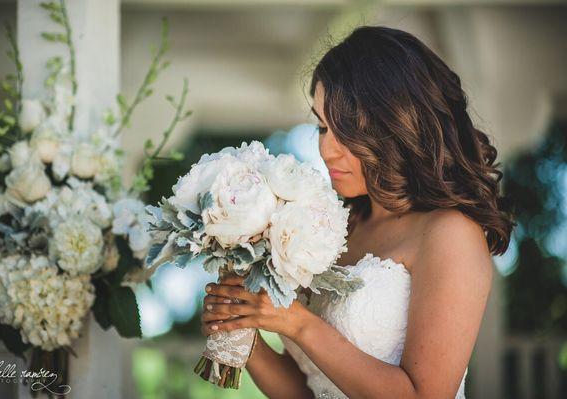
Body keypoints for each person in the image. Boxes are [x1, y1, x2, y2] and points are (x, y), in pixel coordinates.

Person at [200, 25, 514, 398]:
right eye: (321, 126)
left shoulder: (449, 232)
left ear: (399, 124)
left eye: (346, 129)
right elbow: (308, 390)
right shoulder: (331, 228)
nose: (328, 150)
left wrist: (298, 324)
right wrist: (244, 329)